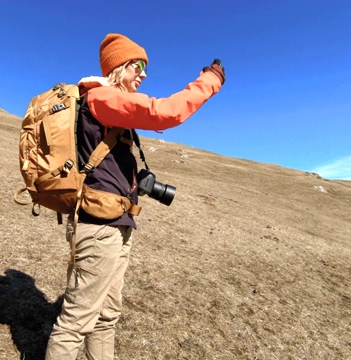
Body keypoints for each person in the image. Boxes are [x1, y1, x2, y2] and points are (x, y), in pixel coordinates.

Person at [45, 33, 225, 359]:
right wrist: (209, 81)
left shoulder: (108, 104)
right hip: (99, 228)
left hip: (116, 222)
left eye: (145, 67)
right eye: (138, 65)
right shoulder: (103, 99)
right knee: (77, 320)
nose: (143, 73)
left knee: (106, 316)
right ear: (118, 66)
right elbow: (167, 112)